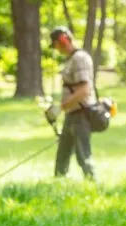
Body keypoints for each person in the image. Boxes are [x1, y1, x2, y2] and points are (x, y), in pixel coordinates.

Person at [48, 26, 97, 181]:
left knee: (83, 154)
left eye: (55, 43)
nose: (55, 48)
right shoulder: (70, 60)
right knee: (62, 154)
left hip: (81, 113)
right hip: (71, 114)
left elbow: (84, 89)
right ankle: (58, 183)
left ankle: (92, 183)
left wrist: (61, 107)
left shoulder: (80, 58)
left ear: (62, 40)